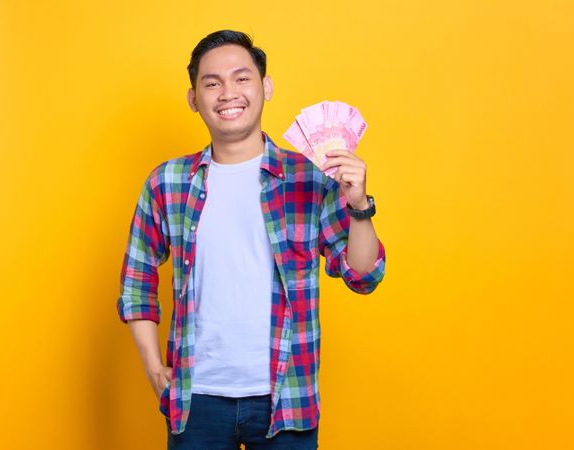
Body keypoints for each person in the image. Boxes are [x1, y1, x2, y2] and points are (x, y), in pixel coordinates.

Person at [116, 29, 386, 450]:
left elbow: (363, 275)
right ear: (194, 99)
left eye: (242, 78)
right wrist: (154, 369)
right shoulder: (167, 182)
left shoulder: (310, 176)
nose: (228, 93)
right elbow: (137, 279)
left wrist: (358, 206)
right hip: (196, 400)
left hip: (286, 398)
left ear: (266, 87)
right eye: (212, 83)